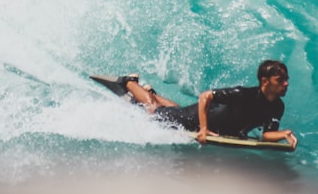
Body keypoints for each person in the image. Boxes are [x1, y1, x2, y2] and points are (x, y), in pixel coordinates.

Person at [121, 60, 297, 148]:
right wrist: (203, 129)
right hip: (192, 121)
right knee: (154, 111)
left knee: (175, 109)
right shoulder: (242, 94)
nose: (286, 83)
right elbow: (205, 97)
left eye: (286, 79)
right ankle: (129, 82)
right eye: (280, 80)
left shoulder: (277, 107)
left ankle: (150, 92)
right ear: (265, 81)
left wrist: (284, 134)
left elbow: (267, 135)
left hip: (208, 119)